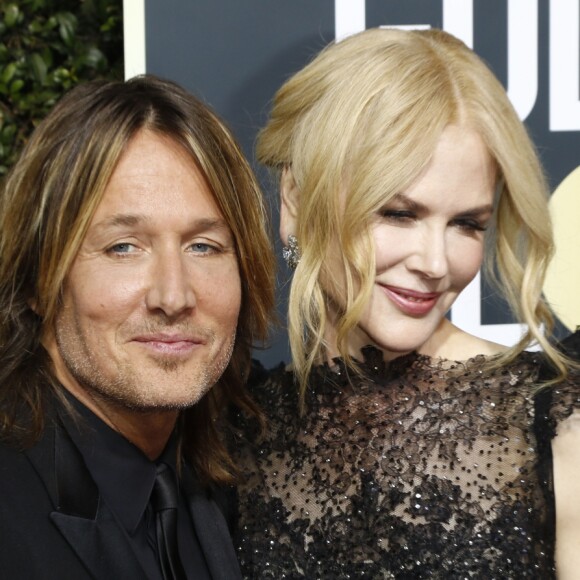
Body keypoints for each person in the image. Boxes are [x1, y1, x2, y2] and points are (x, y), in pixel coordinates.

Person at [230, 28, 580, 578]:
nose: (436, 263)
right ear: (296, 200)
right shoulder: (235, 431)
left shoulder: (554, 421)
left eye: (467, 224)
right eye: (398, 213)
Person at [0, 75, 275, 579]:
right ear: (40, 279)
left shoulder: (251, 454)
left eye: (204, 247)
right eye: (123, 247)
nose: (173, 296)